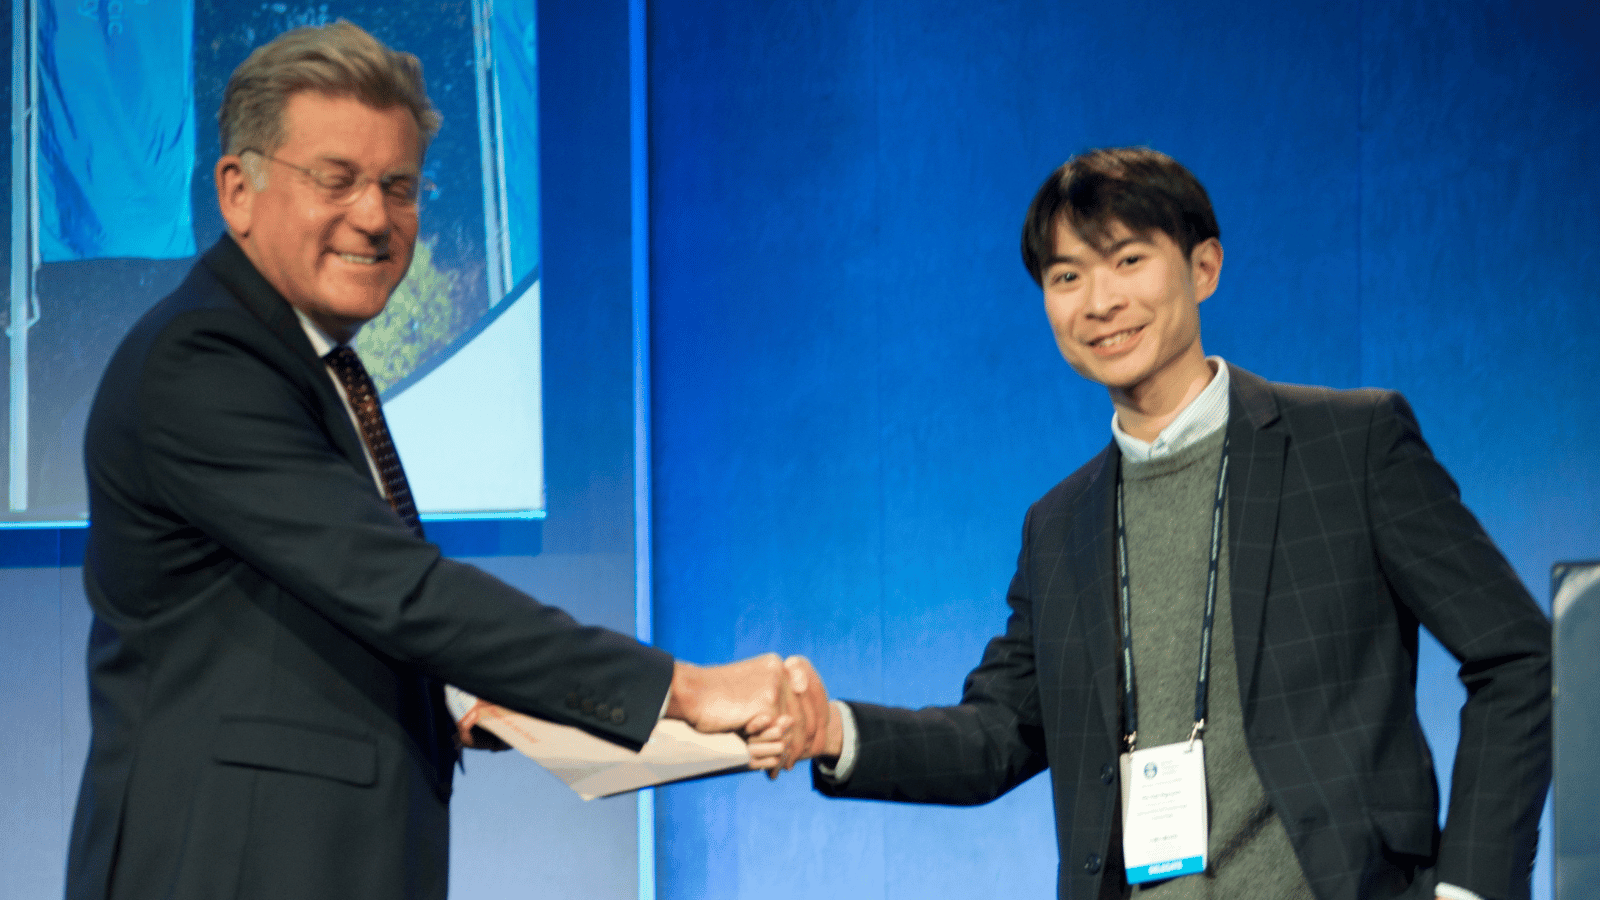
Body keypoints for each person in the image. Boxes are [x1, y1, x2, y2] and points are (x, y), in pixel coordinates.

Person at [66, 22, 823, 900]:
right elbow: (397, 588)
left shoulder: (301, 360)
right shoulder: (202, 360)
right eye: (336, 180)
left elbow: (315, 611)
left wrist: (459, 699)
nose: (375, 217)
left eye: (399, 186)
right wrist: (685, 690)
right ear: (239, 191)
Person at [798, 148, 1550, 900]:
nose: (1099, 301)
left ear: (1204, 267)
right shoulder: (1058, 527)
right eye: (1067, 276)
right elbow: (997, 733)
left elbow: (1516, 657)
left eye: (1128, 260)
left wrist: (1470, 889)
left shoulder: (1349, 447)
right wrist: (830, 731)